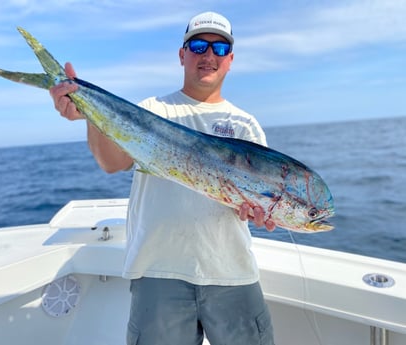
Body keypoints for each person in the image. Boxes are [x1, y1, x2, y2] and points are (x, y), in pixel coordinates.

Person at [50, 11, 275, 345]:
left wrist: (259, 213)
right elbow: (112, 163)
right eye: (198, 45)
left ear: (230, 59)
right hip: (158, 271)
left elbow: (253, 201)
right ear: (182, 55)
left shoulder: (245, 125)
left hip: (232, 271)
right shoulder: (152, 110)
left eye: (219, 47)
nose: (208, 55)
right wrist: (90, 116)